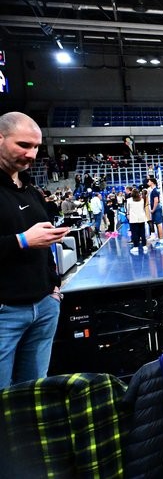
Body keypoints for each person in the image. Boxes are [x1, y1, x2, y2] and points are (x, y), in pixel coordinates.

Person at [0, 112, 70, 389]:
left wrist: (53, 288)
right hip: (5, 312)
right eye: (23, 145)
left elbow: (41, 243)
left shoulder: (29, 188)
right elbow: (25, 240)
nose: (32, 154)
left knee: (32, 397)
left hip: (43, 305)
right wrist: (22, 240)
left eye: (37, 147)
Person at [127, 188, 148, 255]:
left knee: (135, 233)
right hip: (141, 218)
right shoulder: (142, 200)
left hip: (133, 219)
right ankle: (144, 246)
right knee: (142, 232)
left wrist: (128, 214)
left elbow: (128, 209)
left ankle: (136, 247)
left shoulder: (129, 201)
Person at [146, 176, 163, 247]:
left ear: (152, 182)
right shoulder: (153, 190)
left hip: (156, 209)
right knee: (157, 224)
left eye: (149, 181)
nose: (148, 182)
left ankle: (161, 241)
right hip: (156, 209)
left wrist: (153, 210)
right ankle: (160, 239)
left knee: (159, 225)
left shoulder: (155, 191)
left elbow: (156, 201)